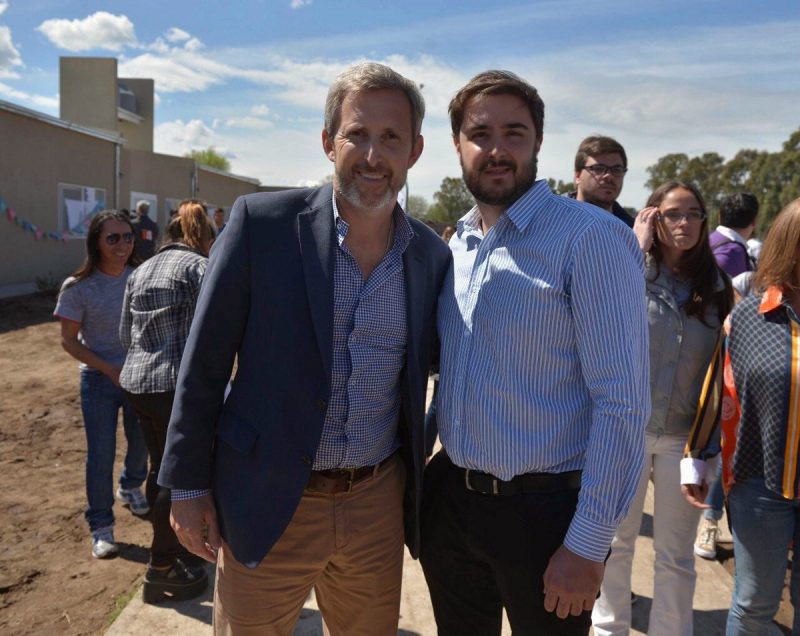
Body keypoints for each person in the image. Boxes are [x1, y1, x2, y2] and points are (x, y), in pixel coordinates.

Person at [158, 62, 450, 635]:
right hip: (266, 499)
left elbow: (441, 367)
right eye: (357, 134)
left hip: (375, 506)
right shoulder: (262, 225)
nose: (373, 155)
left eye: (391, 138)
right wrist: (187, 486)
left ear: (415, 151)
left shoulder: (429, 256)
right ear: (327, 141)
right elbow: (204, 362)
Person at [421, 70, 650, 635]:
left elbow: (622, 403)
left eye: (514, 133)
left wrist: (588, 544)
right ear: (457, 145)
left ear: (539, 141)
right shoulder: (459, 244)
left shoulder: (590, 239)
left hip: (547, 520)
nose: (496, 149)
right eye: (480, 134)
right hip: (454, 506)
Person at [592, 182, 734, 636]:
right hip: (627, 430)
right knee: (616, 544)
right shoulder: (629, 269)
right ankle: (608, 628)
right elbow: (599, 320)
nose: (684, 223)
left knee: (675, 555)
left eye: (694, 214)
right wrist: (632, 249)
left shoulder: (717, 287)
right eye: (673, 213)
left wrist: (709, 448)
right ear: (653, 217)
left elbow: (722, 370)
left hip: (685, 439)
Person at [682, 197, 800, 634]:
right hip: (760, 483)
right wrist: (698, 456)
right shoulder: (751, 315)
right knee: (753, 604)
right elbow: (720, 386)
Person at [119, 200, 216, 603]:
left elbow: (125, 334)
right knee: (176, 476)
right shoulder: (200, 268)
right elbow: (212, 332)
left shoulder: (140, 270)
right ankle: (161, 565)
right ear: (203, 236)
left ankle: (172, 550)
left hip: (138, 383)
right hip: (176, 386)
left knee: (160, 467)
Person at [53, 211, 149, 559]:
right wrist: (108, 369)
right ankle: (101, 525)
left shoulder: (141, 277)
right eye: (113, 238)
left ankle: (131, 485)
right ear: (96, 241)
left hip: (139, 377)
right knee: (101, 454)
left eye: (128, 237)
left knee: (142, 443)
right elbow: (68, 341)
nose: (122, 244)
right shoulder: (78, 287)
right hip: (98, 380)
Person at [695, 191, 760, 560]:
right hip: (723, 363)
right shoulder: (733, 255)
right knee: (723, 446)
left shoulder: (711, 243)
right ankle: (709, 521)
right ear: (754, 220)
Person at [568, 135, 634, 228]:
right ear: (578, 175)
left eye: (617, 170)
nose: (609, 176)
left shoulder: (632, 230)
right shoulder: (552, 216)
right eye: (598, 168)